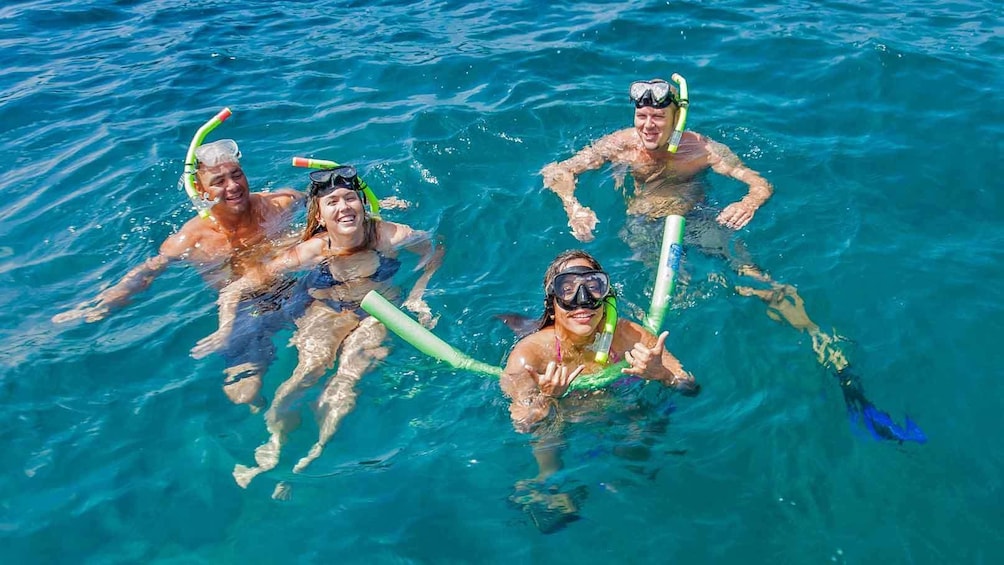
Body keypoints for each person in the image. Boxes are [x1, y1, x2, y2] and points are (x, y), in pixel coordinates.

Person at [540, 77, 845, 373]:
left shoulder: (702, 149)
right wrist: (574, 207)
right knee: (668, 299)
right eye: (641, 116)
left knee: (753, 278)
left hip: (698, 219)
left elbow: (760, 183)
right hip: (645, 226)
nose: (647, 125)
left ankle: (818, 336)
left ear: (677, 118)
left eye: (658, 117)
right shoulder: (622, 145)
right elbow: (556, 171)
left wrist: (747, 203)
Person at [194, 164, 444, 491]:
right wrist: (224, 329)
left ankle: (315, 451)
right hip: (328, 310)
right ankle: (275, 444)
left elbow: (433, 249)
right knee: (305, 373)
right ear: (321, 216)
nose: (344, 207)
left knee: (346, 380)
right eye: (333, 203)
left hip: (376, 315)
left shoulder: (388, 234)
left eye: (350, 199)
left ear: (362, 204)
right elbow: (235, 288)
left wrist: (418, 294)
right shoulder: (313, 249)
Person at [52, 139, 305, 410]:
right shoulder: (189, 240)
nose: (232, 186)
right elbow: (148, 271)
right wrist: (106, 301)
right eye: (219, 181)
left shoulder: (281, 203)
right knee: (244, 390)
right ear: (200, 189)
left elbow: (323, 207)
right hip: (244, 310)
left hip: (297, 286)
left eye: (236, 175)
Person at [499, 250, 699, 532]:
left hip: (618, 404)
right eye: (567, 289)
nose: (583, 300)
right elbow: (522, 424)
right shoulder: (529, 355)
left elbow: (689, 386)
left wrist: (662, 375)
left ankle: (625, 496)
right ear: (553, 302)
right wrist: (548, 398)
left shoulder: (628, 334)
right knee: (550, 429)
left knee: (639, 439)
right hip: (568, 413)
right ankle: (546, 479)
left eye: (593, 286)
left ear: (606, 294)